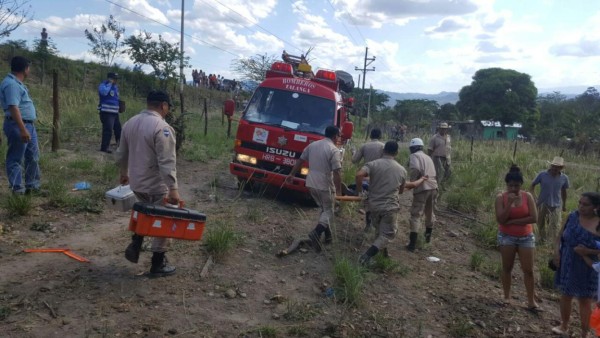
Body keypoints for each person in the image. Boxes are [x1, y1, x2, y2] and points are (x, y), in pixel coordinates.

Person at [115, 90, 180, 277]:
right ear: (164, 106)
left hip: (136, 182)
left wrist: (123, 173)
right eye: (168, 107)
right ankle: (157, 263)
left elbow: (121, 153)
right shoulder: (162, 127)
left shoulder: (130, 123)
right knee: (162, 222)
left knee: (143, 213)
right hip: (156, 185)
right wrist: (173, 189)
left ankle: (136, 241)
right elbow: (167, 162)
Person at [355, 141, 427, 265]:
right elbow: (400, 191)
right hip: (389, 207)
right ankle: (366, 256)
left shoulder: (373, 164)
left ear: (383, 151)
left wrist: (359, 191)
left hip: (374, 205)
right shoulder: (402, 170)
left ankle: (383, 255)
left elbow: (359, 175)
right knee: (388, 233)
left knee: (379, 231)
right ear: (397, 153)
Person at [286, 126, 342, 252]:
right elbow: (337, 172)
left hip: (311, 183)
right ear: (335, 137)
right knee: (328, 211)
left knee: (323, 209)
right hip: (325, 185)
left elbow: (300, 160)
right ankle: (316, 233)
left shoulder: (313, 145)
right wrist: (338, 191)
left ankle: (328, 237)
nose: (339, 138)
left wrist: (291, 174)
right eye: (339, 136)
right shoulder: (334, 150)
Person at [552, 192, 600, 337]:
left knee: (584, 300)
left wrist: (587, 250)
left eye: (585, 205)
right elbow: (560, 235)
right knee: (566, 294)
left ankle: (584, 333)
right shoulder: (573, 216)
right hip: (567, 261)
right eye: (580, 203)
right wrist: (556, 252)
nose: (581, 207)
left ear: (596, 207)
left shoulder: (599, 223)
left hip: (588, 266)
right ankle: (564, 325)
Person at [494, 165, 539, 311]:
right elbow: (501, 219)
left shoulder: (527, 196)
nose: (513, 188)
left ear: (521, 185)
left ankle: (531, 300)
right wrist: (509, 205)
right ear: (506, 185)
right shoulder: (501, 197)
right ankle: (507, 296)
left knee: (529, 270)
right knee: (507, 267)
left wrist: (513, 221)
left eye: (516, 186)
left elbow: (534, 217)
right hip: (507, 236)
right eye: (510, 185)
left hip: (525, 236)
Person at [1, 56, 43, 195]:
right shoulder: (12, 85)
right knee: (15, 158)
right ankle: (17, 189)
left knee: (33, 156)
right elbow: (13, 107)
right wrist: (22, 129)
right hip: (18, 125)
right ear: (25, 69)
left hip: (27, 125)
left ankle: (32, 186)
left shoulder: (17, 83)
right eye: (29, 67)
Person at [407, 138, 438, 251]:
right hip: (433, 186)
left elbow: (415, 169)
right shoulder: (428, 157)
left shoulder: (414, 156)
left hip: (422, 188)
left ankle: (412, 244)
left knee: (416, 214)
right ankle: (427, 239)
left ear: (413, 148)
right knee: (430, 213)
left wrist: (413, 182)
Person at [530, 156, 570, 243]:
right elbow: (532, 185)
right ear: (551, 166)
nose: (555, 168)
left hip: (556, 204)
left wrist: (564, 205)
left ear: (561, 168)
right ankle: (540, 240)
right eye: (554, 166)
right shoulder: (542, 174)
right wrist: (534, 196)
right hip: (543, 202)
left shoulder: (564, 178)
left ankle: (552, 242)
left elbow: (564, 191)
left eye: (558, 167)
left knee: (555, 225)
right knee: (540, 223)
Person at [351, 127, 385, 231]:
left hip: (366, 175)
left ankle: (368, 224)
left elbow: (354, 160)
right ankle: (378, 223)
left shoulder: (364, 146)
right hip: (380, 177)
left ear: (370, 136)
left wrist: (353, 151)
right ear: (380, 136)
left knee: (367, 199)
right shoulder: (383, 146)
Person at [98, 72, 121, 153]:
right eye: (114, 79)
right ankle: (104, 148)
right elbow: (104, 93)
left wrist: (120, 105)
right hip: (106, 112)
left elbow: (115, 98)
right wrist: (109, 84)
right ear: (109, 78)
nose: (116, 80)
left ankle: (121, 146)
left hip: (115, 112)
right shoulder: (103, 85)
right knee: (108, 130)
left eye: (116, 79)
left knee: (118, 129)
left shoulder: (115, 87)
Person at [427, 122, 451, 187]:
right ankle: (436, 186)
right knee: (438, 173)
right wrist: (429, 159)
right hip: (437, 158)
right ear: (439, 129)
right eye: (442, 129)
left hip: (447, 158)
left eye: (445, 129)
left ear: (447, 129)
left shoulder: (448, 137)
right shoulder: (435, 138)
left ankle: (443, 185)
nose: (443, 130)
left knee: (448, 172)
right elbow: (430, 149)